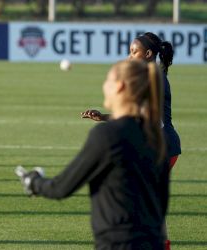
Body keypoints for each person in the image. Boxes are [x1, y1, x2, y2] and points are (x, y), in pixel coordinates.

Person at [17, 59, 169, 249]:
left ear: (120, 87)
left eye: (107, 80)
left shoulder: (108, 135)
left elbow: (61, 187)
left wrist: (33, 182)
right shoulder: (155, 135)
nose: (103, 86)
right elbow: (161, 204)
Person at [80, 32, 180, 250]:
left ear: (148, 54)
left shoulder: (153, 78)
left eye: (133, 52)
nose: (129, 56)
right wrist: (105, 117)